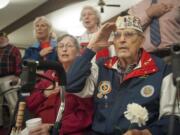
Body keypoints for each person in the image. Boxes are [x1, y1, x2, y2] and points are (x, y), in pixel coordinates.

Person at [66, 15, 180, 135]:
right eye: (117, 35)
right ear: (113, 42)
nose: (122, 40)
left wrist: (146, 132)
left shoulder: (162, 70)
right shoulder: (102, 66)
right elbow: (70, 84)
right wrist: (91, 48)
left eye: (129, 34)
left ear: (141, 40)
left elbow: (174, 119)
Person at [26, 34, 93, 135]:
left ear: (79, 52)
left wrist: (54, 128)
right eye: (61, 46)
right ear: (57, 52)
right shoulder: (48, 74)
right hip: (39, 129)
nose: (64, 49)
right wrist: (44, 93)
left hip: (67, 131)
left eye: (69, 46)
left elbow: (84, 115)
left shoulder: (83, 76)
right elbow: (30, 104)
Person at [0, 31, 22, 127]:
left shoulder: (14, 49)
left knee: (13, 103)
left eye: (2, 37)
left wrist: (17, 76)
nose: (1, 39)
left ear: (7, 38)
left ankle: (16, 125)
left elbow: (19, 63)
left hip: (10, 77)